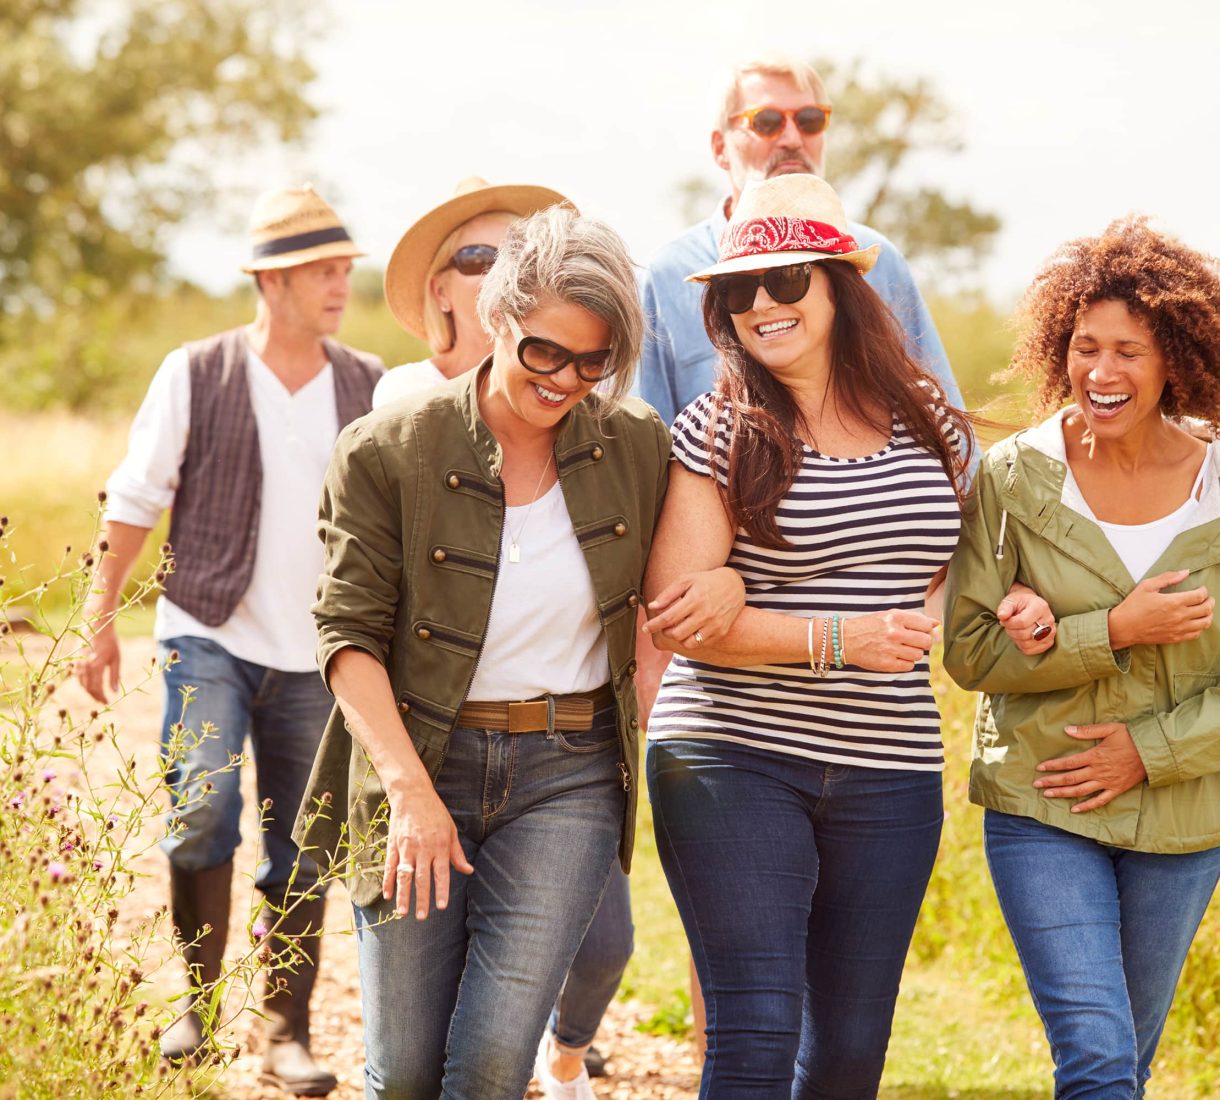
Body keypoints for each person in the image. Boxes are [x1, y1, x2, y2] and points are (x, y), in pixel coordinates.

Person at [294, 205, 742, 1100]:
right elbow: (347, 635)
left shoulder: (637, 444)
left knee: (496, 1060)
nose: (568, 380)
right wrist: (412, 796)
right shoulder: (387, 451)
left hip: (568, 775)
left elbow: (686, 579)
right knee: (408, 1071)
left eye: (593, 362)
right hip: (422, 762)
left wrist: (723, 585)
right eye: (546, 352)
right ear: (498, 317)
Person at [642, 173, 973, 1099]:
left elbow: (950, 574)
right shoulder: (717, 428)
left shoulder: (931, 421)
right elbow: (680, 617)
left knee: (851, 1050)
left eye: (785, 280)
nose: (761, 304)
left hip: (892, 761)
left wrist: (1003, 610)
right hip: (732, 753)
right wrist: (836, 637)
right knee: (754, 1026)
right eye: (738, 289)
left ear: (838, 285)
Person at [76, 184, 383, 1095]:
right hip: (206, 631)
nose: (338, 285)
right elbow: (133, 498)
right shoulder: (196, 371)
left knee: (305, 842)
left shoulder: (366, 382)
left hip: (318, 656)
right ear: (271, 281)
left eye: (342, 270)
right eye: (321, 271)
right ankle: (200, 1010)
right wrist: (97, 615)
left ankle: (286, 1032)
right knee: (202, 811)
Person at [942, 216, 1220, 1099]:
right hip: (1042, 802)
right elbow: (971, 649)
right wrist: (1114, 631)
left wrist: (1150, 751)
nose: (1103, 373)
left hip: (1183, 818)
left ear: (1174, 357)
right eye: (1085, 347)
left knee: (1125, 1064)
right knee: (1098, 1058)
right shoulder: (1014, 478)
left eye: (1130, 351)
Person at [639, 52, 963, 427]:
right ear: (719, 148)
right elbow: (645, 448)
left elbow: (939, 421)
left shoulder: (880, 260)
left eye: (810, 120)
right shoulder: (666, 275)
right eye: (766, 121)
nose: (792, 138)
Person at [374, 176, 567, 407]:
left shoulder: (565, 379)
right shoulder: (409, 389)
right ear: (441, 292)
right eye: (478, 258)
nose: (502, 274)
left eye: (518, 256)